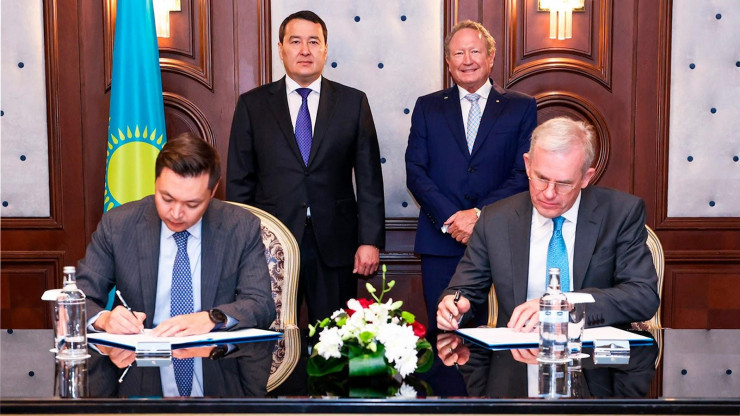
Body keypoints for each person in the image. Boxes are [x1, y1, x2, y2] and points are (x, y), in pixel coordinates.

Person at [226, 10, 385, 324]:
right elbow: (240, 181)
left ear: (325, 50)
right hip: (270, 244)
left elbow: (369, 178)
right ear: (281, 49)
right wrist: (242, 245)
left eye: (314, 42)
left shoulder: (352, 102)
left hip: (335, 244)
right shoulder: (253, 105)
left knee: (335, 339)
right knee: (273, 335)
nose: (305, 50)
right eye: (295, 41)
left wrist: (369, 241)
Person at [437, 117, 659, 331]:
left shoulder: (619, 214)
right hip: (516, 350)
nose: (549, 193)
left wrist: (565, 304)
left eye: (563, 183)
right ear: (527, 165)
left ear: (585, 177)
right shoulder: (496, 219)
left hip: (592, 352)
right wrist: (455, 306)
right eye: (541, 178)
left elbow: (642, 296)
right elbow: (464, 290)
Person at [76, 132, 276, 337]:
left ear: (213, 190)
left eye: (192, 204)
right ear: (156, 182)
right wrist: (104, 319)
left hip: (213, 352)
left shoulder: (240, 227)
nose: (176, 213)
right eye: (167, 198)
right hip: (140, 353)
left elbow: (260, 304)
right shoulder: (119, 225)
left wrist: (212, 319)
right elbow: (78, 297)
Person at [405, 20, 536, 328]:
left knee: (504, 337)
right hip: (441, 241)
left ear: (491, 56)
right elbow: (415, 171)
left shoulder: (521, 107)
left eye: (475, 51)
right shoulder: (428, 107)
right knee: (445, 333)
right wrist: (453, 219)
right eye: (458, 53)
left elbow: (524, 172)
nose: (467, 60)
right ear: (448, 61)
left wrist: (478, 214)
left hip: (501, 240)